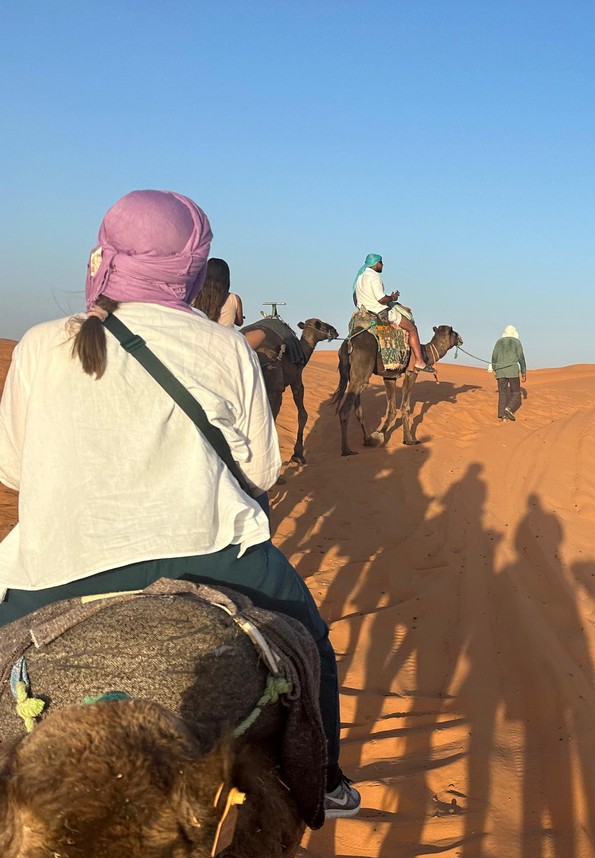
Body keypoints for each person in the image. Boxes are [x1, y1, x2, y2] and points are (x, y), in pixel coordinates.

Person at [0, 189, 359, 819]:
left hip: (56, 564)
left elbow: (12, 472)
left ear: (103, 256)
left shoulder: (38, 345)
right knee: (312, 645)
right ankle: (324, 780)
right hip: (214, 555)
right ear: (195, 270)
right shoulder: (226, 348)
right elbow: (262, 470)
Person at [352, 253, 435, 374]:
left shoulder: (361, 277)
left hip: (365, 310)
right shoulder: (374, 276)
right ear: (375, 263)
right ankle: (419, 361)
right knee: (412, 328)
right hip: (380, 311)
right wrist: (392, 297)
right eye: (381, 262)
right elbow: (381, 299)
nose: (382, 265)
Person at [192, 257, 244, 328]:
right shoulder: (234, 298)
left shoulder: (195, 296)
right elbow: (239, 322)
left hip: (200, 335)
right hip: (225, 338)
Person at [491, 325, 527, 421]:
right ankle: (509, 408)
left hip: (500, 371)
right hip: (512, 371)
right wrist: (523, 373)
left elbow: (494, 356)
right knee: (516, 392)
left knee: (502, 393)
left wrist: (495, 368)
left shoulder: (499, 342)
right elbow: (521, 358)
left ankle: (502, 415)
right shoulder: (516, 342)